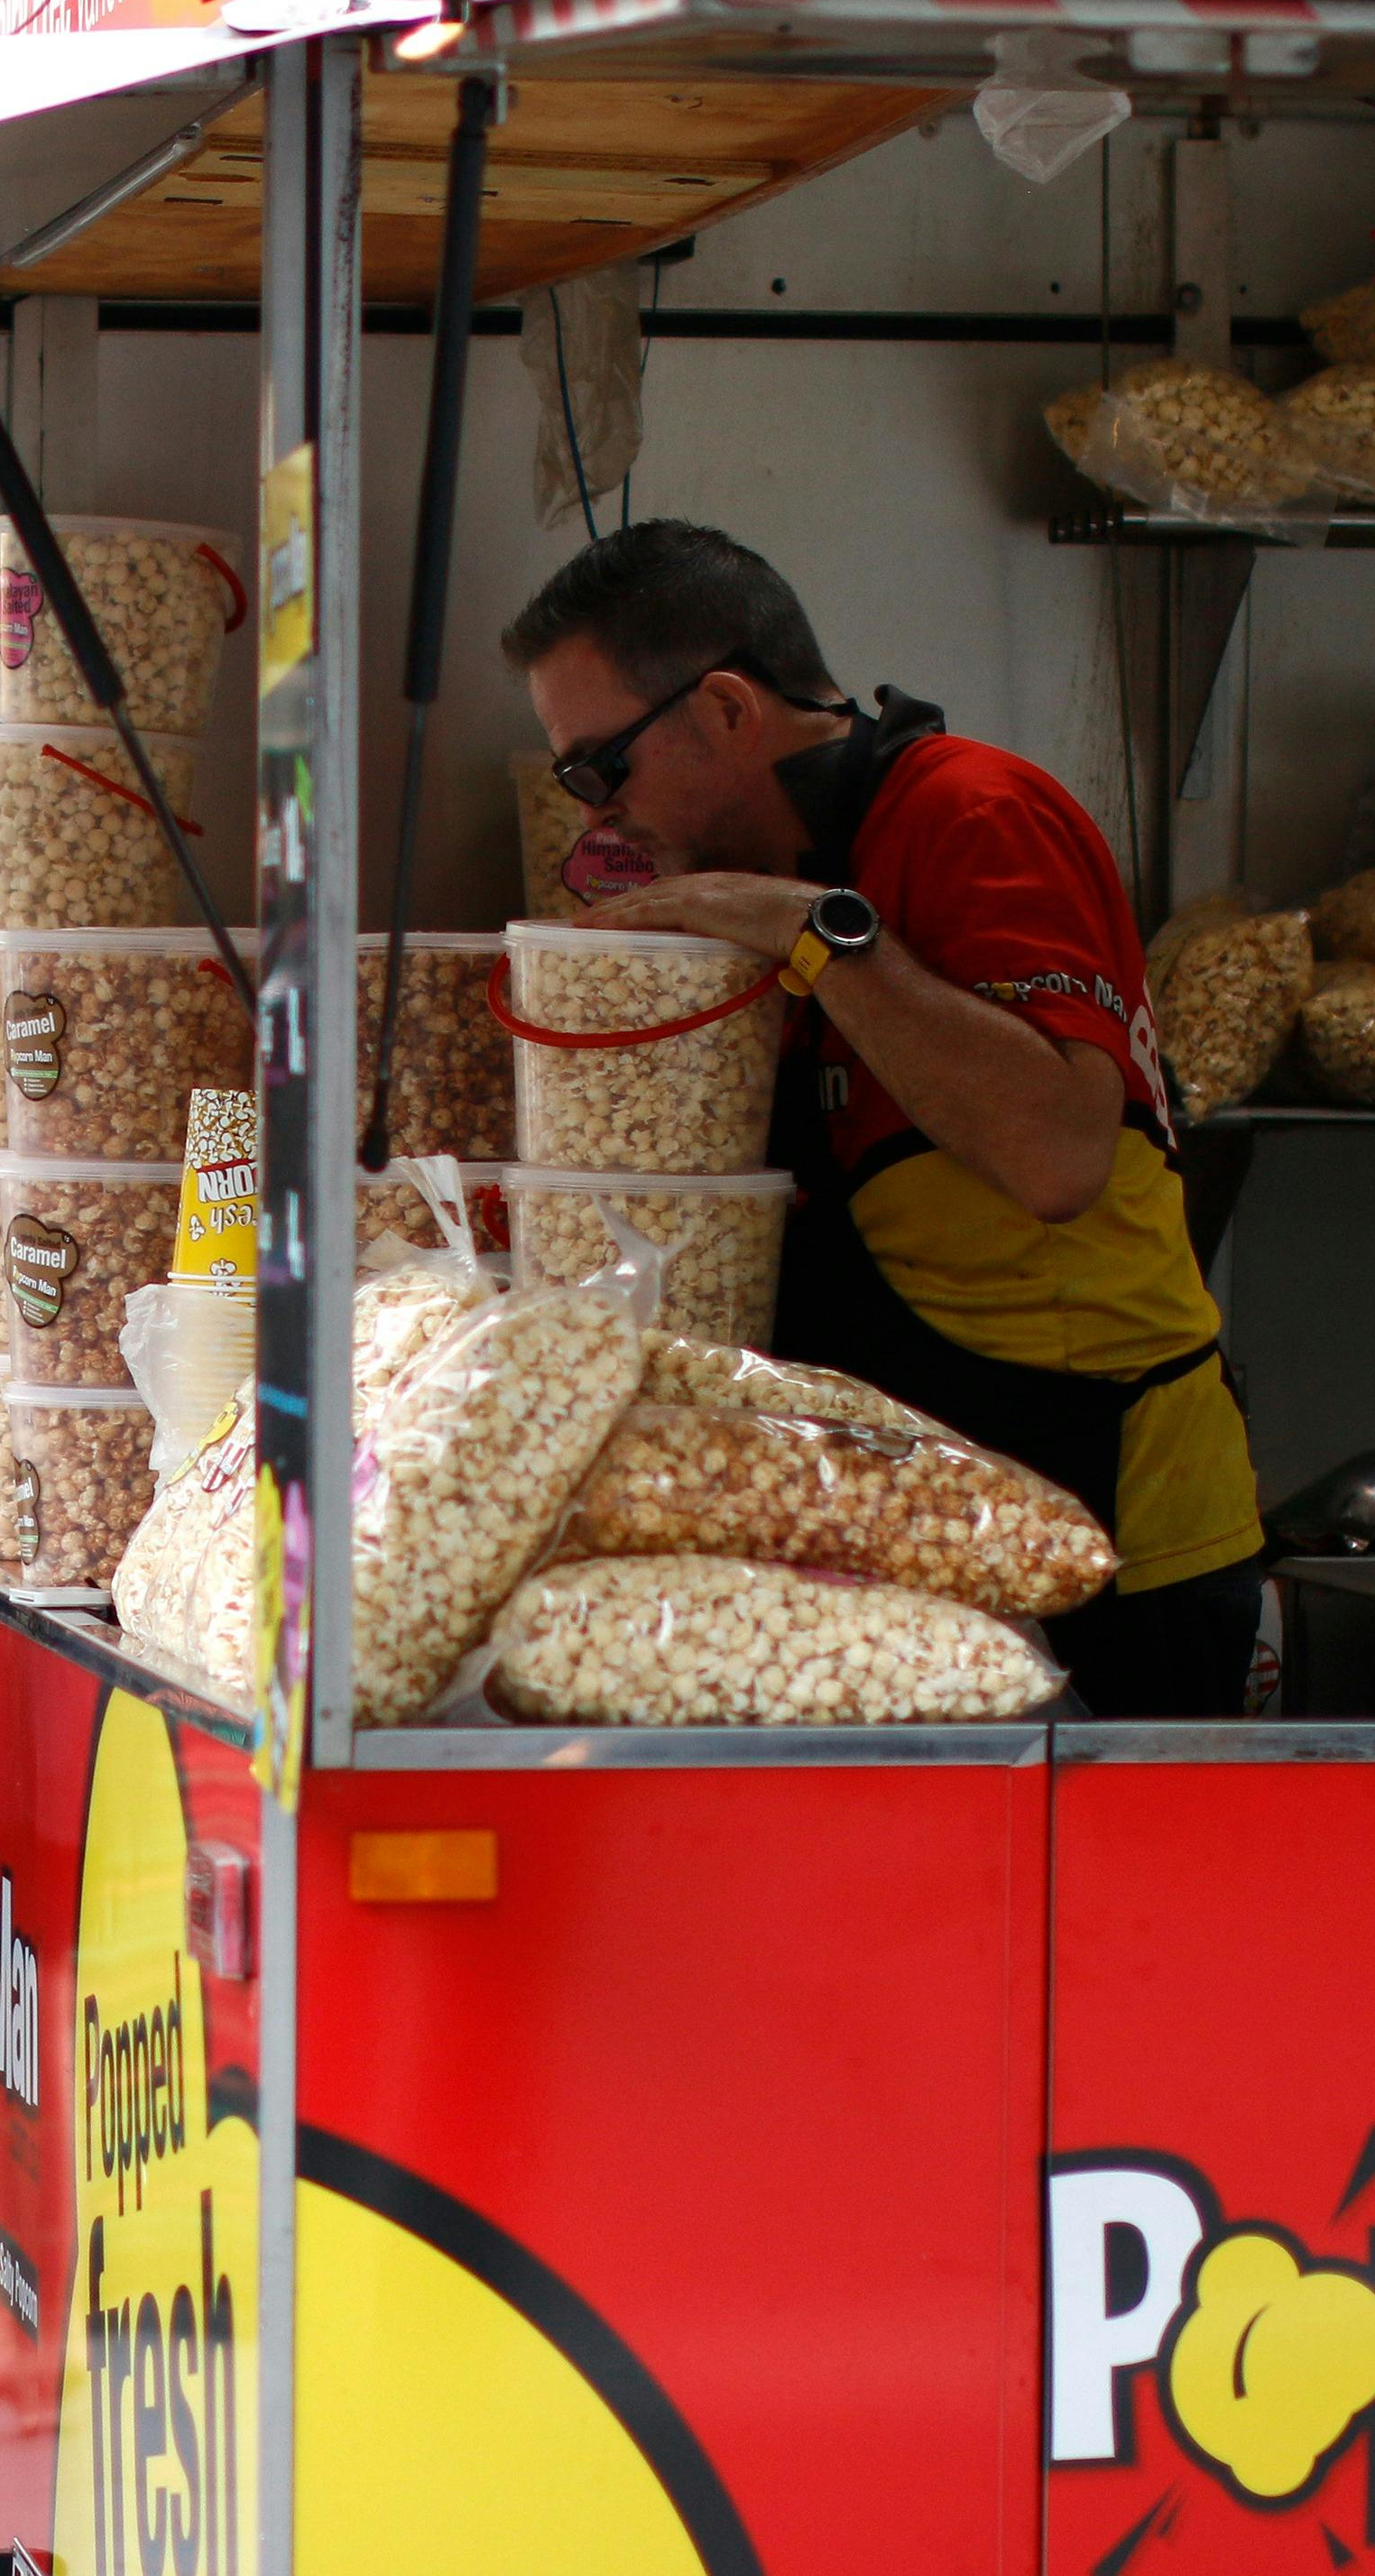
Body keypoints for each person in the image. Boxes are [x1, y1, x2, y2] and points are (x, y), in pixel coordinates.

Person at [504, 522, 1263, 1716]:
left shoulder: (974, 815)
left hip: (1114, 1544)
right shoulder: (748, 900)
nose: (595, 815)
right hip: (917, 1543)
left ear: (721, 710)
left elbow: (1059, 1155)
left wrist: (807, 931)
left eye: (599, 769)